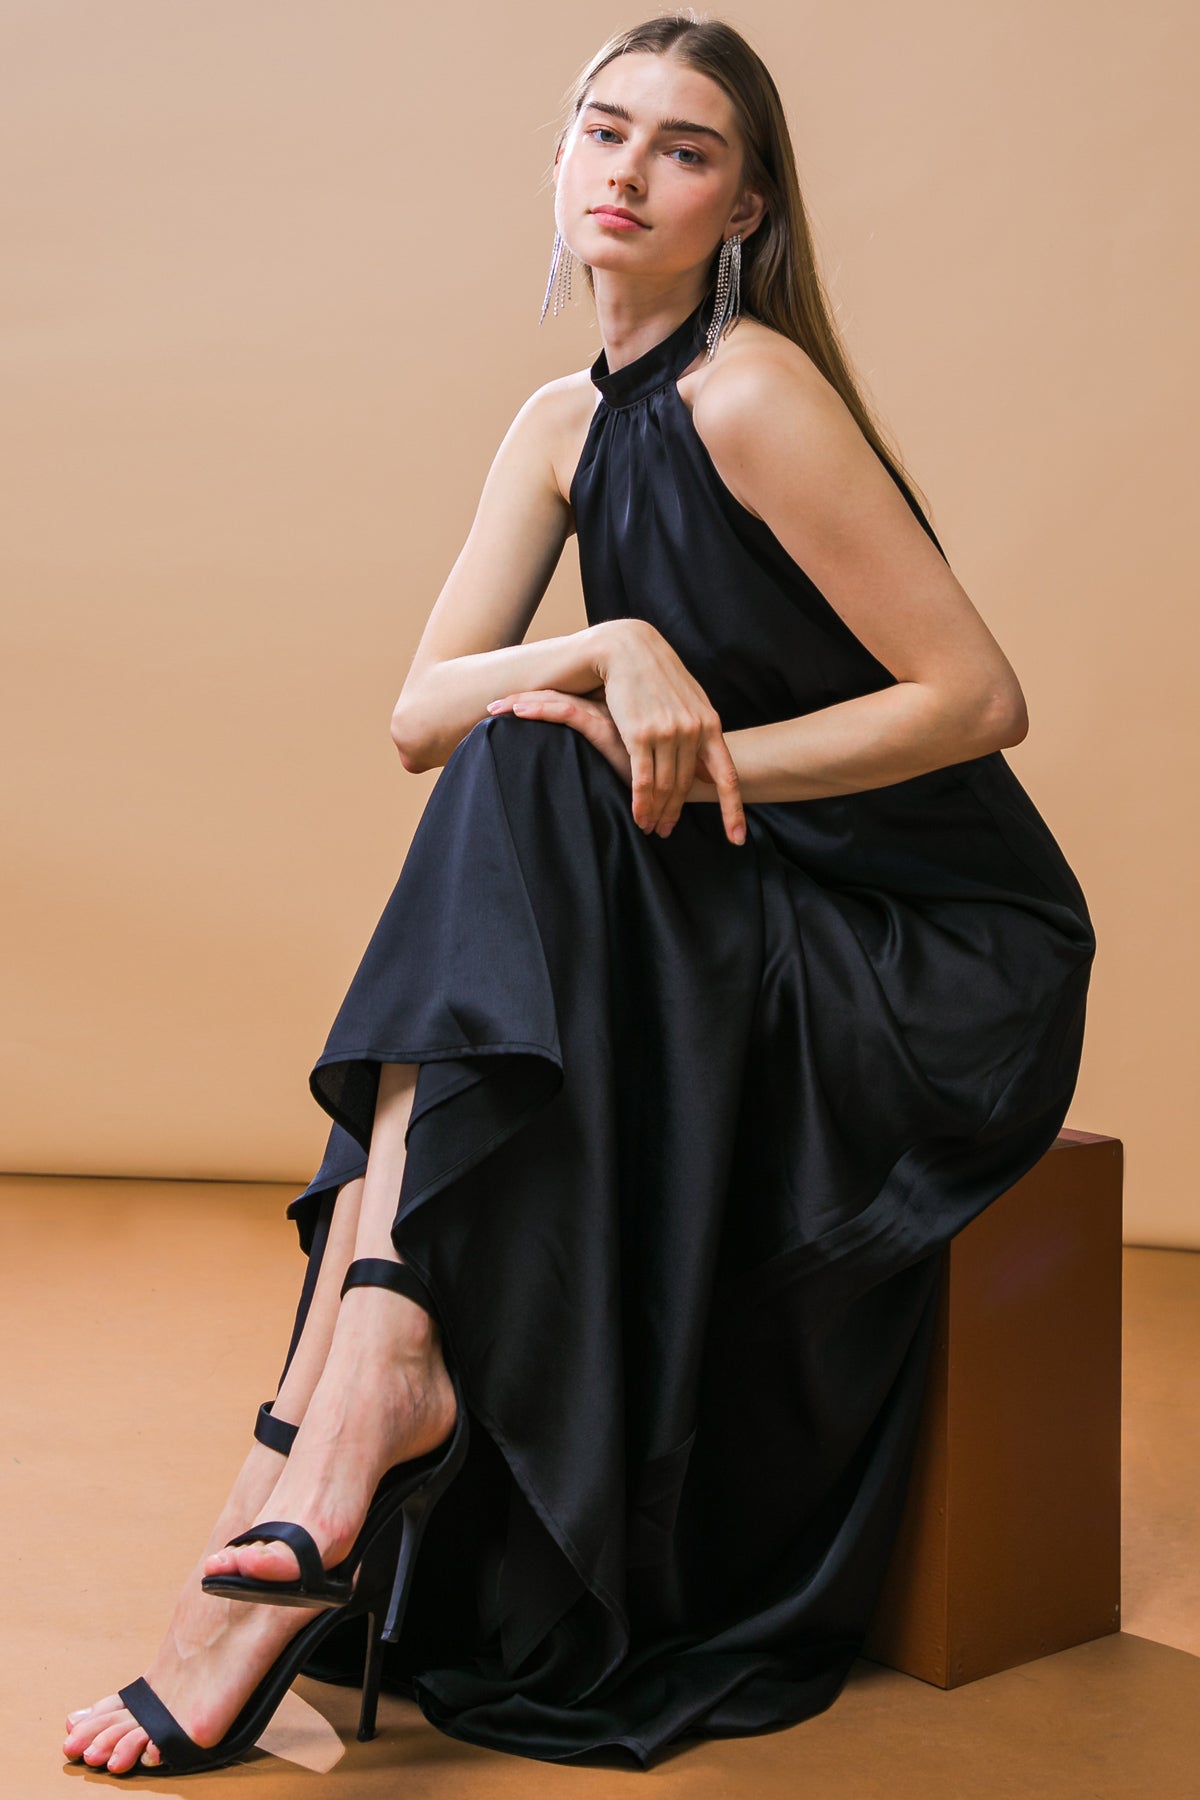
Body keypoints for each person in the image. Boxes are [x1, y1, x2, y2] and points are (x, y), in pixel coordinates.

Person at [63, 10, 1096, 1778]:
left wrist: (695, 763)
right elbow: (418, 714)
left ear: (744, 206)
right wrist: (608, 649)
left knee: (539, 765)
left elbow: (978, 702)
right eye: (604, 131)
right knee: (520, 750)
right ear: (557, 159)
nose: (628, 171)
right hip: (738, 895)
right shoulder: (559, 425)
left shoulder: (751, 390)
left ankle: (328, 1452)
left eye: (684, 149)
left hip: (924, 949)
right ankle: (364, 1395)